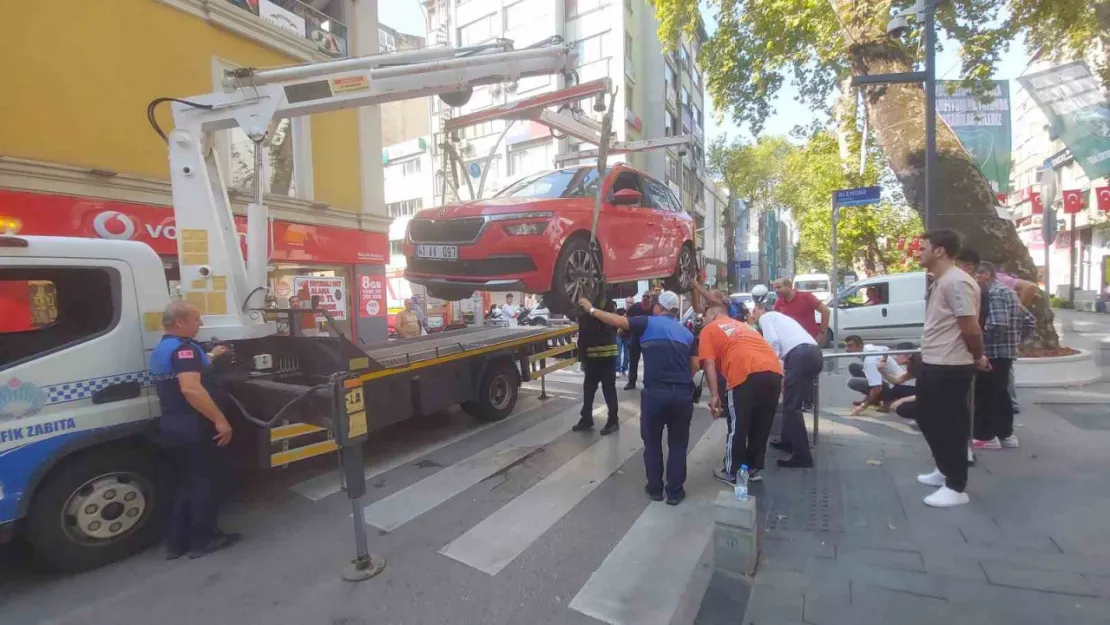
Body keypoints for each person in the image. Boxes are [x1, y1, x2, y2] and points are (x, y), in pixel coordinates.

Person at [579, 292, 698, 505]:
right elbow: (695, 365)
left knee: (652, 442)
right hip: (681, 395)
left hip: (655, 394)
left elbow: (617, 321)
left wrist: (591, 309)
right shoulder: (686, 333)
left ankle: (654, 489)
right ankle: (674, 492)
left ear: (660, 308)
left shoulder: (647, 323)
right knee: (678, 444)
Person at [152, 301, 240, 560]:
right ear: (180, 322)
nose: (200, 324)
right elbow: (191, 388)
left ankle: (177, 543)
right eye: (196, 319)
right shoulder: (185, 350)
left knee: (186, 483)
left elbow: (189, 367)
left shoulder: (164, 348)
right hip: (195, 426)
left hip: (173, 425)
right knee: (205, 482)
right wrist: (220, 419)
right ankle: (203, 540)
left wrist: (213, 355)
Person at [915, 229, 985, 508]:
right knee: (926, 417)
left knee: (949, 425)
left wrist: (978, 355)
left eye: (923, 247)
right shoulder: (941, 281)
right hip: (934, 361)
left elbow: (969, 326)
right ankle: (944, 469)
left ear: (940, 250)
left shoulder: (957, 282)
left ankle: (956, 486)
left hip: (950, 365)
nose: (918, 252)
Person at [700, 304, 784, 485]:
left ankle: (732, 471)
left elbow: (708, 363)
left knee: (738, 425)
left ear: (714, 314)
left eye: (705, 316)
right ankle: (753, 469)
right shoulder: (746, 327)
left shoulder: (709, 329)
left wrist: (715, 395)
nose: (703, 320)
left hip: (744, 373)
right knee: (761, 424)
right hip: (773, 372)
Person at [749, 301, 823, 469]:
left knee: (791, 407)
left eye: (754, 311)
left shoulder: (766, 317)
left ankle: (802, 456)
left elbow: (773, 342)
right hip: (811, 354)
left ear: (761, 308)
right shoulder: (780, 318)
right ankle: (788, 440)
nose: (753, 315)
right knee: (792, 402)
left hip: (800, 356)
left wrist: (774, 370)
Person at [972, 261, 1035, 450]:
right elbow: (1030, 321)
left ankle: (986, 436)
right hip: (1005, 352)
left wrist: (980, 344)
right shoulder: (1009, 293)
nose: (975, 281)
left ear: (985, 275)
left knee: (986, 394)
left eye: (977, 276)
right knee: (1001, 394)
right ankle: (1006, 434)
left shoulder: (994, 292)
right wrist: (1015, 340)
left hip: (993, 353)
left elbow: (997, 324)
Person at [574, 299, 621, 435]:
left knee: (608, 389)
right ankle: (586, 418)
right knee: (588, 390)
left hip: (606, 355)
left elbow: (610, 323)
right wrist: (583, 357)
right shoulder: (583, 307)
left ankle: (613, 421)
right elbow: (582, 333)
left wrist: (590, 310)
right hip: (592, 356)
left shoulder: (606, 304)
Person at [844, 336, 914, 414]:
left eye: (850, 346)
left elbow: (877, 389)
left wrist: (862, 407)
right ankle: (874, 400)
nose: (846, 350)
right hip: (890, 378)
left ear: (860, 346)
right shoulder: (868, 347)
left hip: (894, 386)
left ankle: (888, 400)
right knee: (853, 366)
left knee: (852, 382)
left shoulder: (870, 362)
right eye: (846, 346)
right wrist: (883, 362)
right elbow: (885, 349)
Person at [773, 277, 830, 344]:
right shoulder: (778, 303)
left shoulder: (806, 297)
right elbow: (776, 322)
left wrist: (822, 333)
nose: (776, 290)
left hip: (809, 341)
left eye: (779, 287)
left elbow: (826, 311)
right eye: (775, 288)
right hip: (790, 343)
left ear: (789, 287)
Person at [623, 292, 653, 390]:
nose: (645, 298)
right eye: (643, 296)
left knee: (649, 362)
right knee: (633, 361)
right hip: (635, 338)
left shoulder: (654, 309)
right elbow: (626, 317)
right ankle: (631, 382)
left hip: (649, 338)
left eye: (647, 297)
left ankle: (648, 383)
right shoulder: (635, 307)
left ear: (651, 299)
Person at [615, 307, 629, 376]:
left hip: (627, 335)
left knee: (627, 354)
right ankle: (617, 369)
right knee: (618, 353)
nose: (629, 304)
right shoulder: (618, 312)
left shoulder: (631, 313)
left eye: (631, 303)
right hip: (619, 335)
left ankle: (625, 368)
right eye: (628, 302)